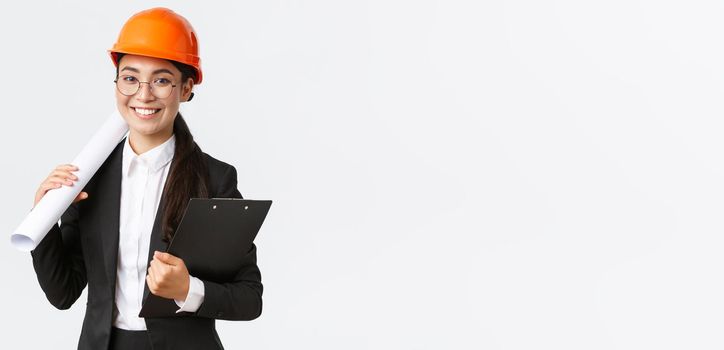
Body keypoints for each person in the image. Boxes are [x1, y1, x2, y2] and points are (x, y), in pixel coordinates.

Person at [29, 7, 262, 350]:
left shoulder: (215, 179)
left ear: (186, 88)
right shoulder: (89, 177)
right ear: (117, 82)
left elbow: (249, 298)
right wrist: (43, 217)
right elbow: (63, 293)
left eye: (162, 80)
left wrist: (188, 290)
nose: (143, 93)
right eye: (130, 77)